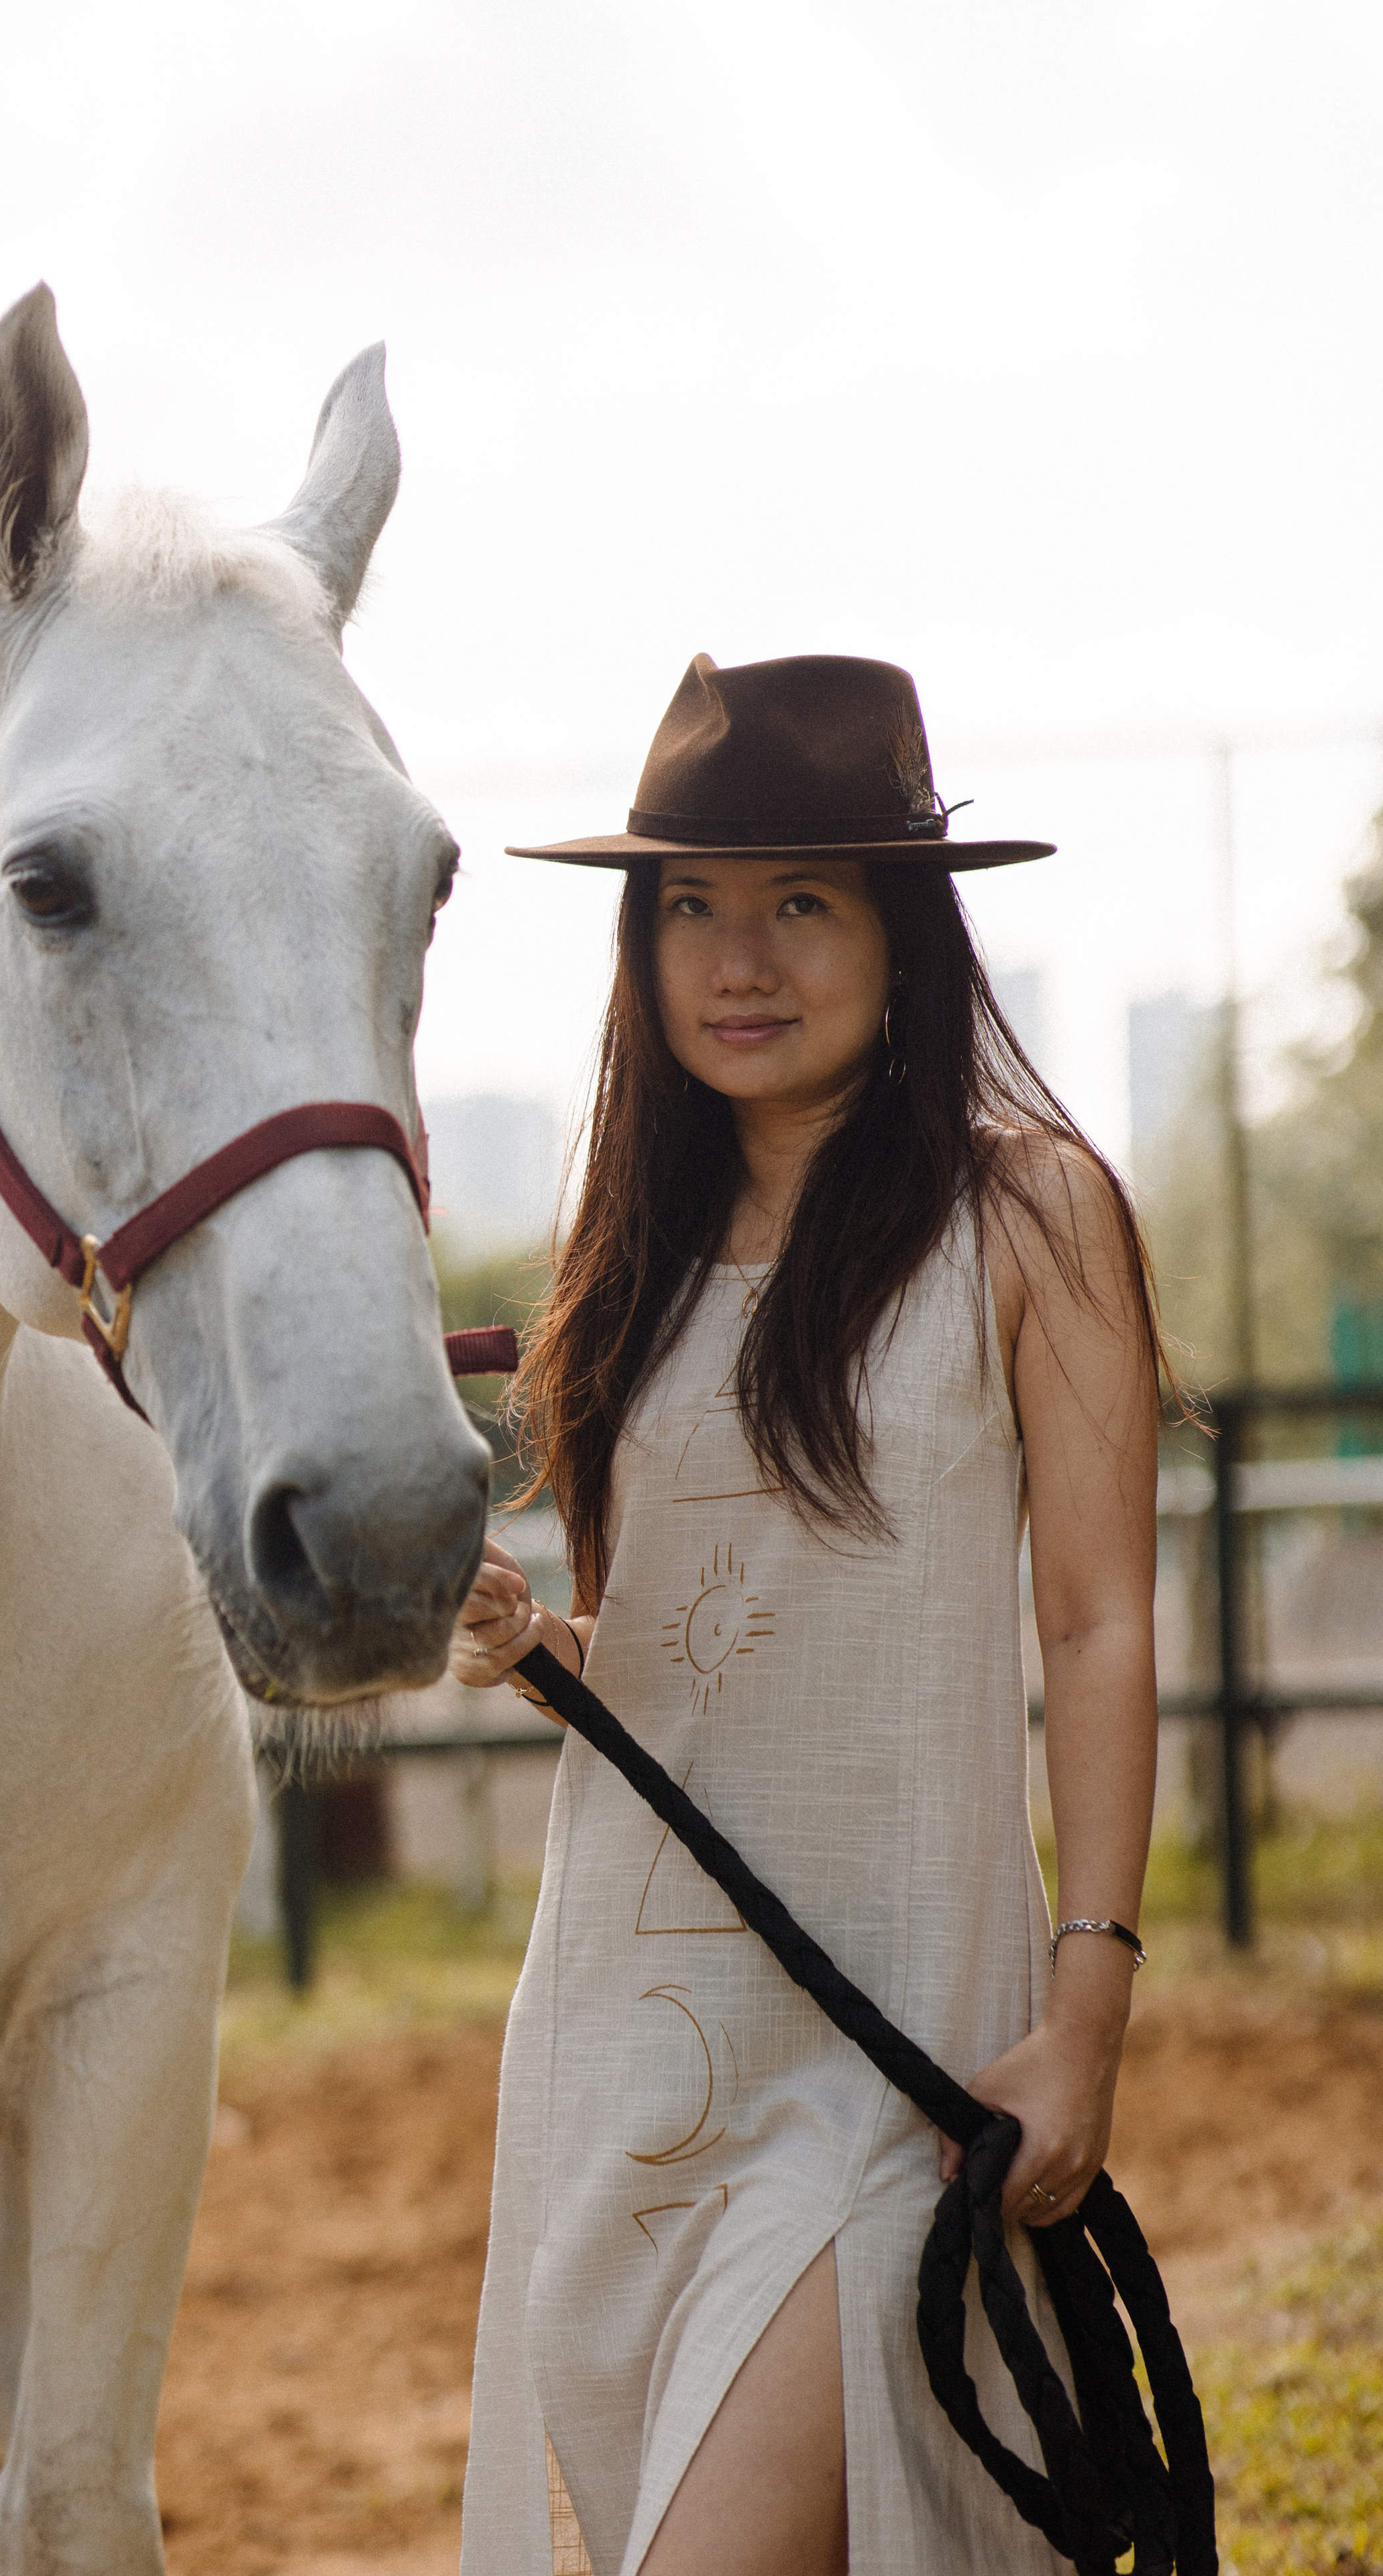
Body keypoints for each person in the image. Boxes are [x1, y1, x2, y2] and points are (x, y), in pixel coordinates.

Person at [451, 654, 1166, 2576]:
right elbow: (685, 1677)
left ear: (902, 932)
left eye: (799, 902)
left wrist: (1083, 2013)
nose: (736, 956)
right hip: (631, 2035)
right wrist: (536, 1651)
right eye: (689, 904)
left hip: (893, 2052)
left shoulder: (1031, 1218)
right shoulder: (625, 1258)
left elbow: (1098, 1627)